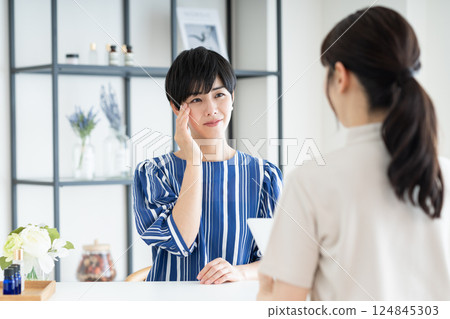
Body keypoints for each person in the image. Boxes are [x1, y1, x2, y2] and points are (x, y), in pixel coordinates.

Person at [258, 6, 450, 300]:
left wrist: (266, 290)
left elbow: (284, 308)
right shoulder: (444, 174)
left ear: (340, 76)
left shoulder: (311, 181)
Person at [133, 47, 283, 283]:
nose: (211, 109)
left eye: (219, 95)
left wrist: (240, 272)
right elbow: (180, 241)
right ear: (176, 108)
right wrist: (194, 160)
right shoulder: (153, 174)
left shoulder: (264, 175)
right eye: (196, 99)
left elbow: (279, 260)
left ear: (233, 97)